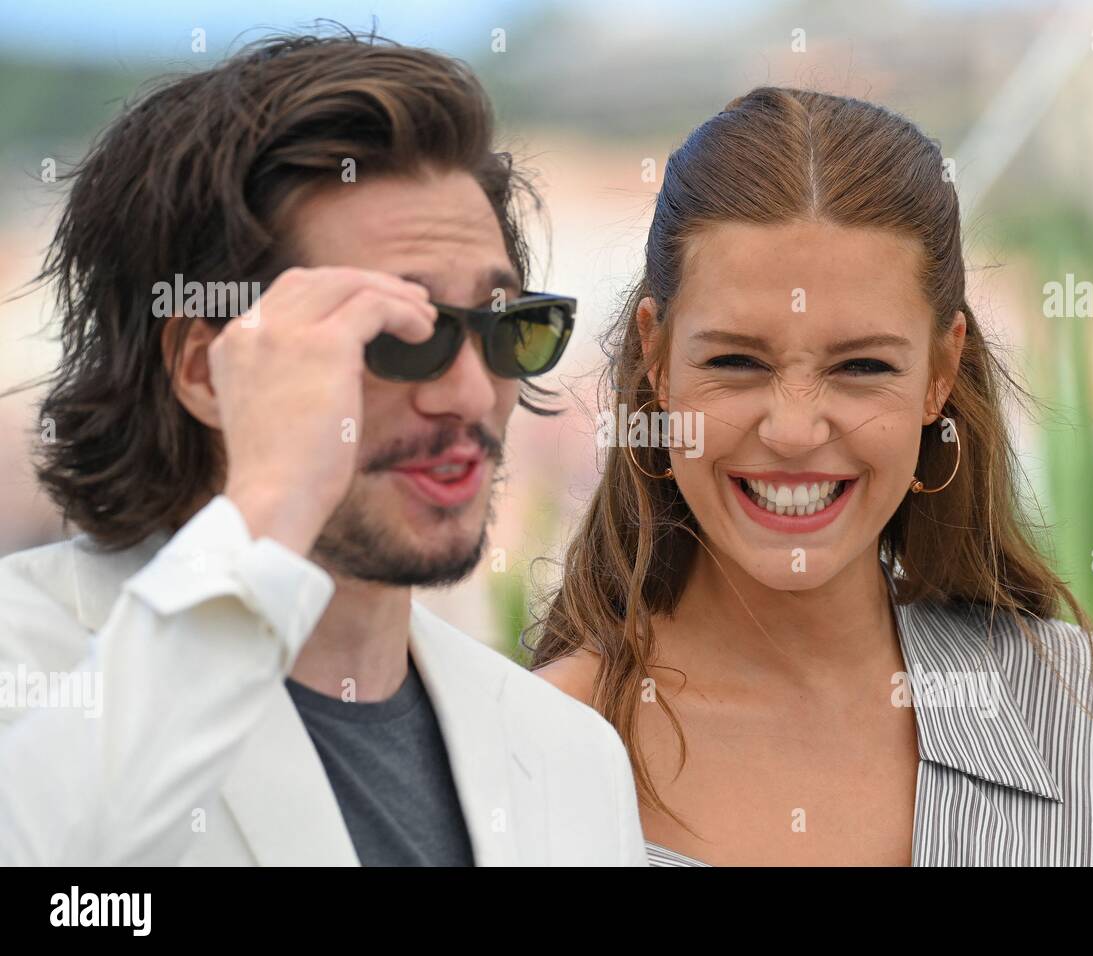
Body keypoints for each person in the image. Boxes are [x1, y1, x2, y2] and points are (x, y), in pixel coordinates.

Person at [0, 31, 646, 867]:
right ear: (205, 370)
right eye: (389, 331)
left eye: (506, 328)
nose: (464, 394)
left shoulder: (570, 756)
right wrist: (269, 507)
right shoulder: (29, 656)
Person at [531, 87, 1093, 867]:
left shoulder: (1077, 707)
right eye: (736, 361)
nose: (793, 430)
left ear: (940, 372)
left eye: (861, 367)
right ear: (657, 358)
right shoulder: (531, 755)